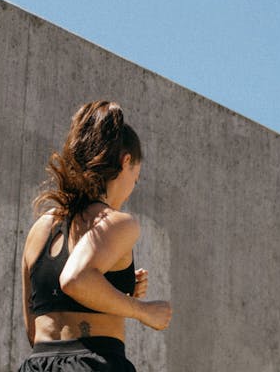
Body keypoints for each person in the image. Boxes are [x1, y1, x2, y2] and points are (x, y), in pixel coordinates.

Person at [17, 101, 173, 372]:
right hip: (94, 363)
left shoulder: (39, 229)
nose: (131, 190)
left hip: (36, 365)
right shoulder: (116, 222)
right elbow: (75, 279)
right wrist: (143, 310)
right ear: (126, 163)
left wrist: (112, 293)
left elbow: (35, 331)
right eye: (135, 178)